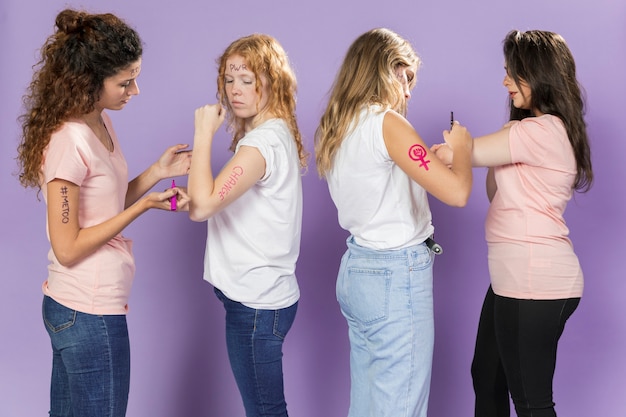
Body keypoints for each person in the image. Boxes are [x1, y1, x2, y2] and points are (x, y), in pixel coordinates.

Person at [16, 9, 191, 417]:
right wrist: (145, 207)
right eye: (125, 82)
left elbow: (103, 205)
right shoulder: (68, 141)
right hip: (86, 311)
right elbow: (68, 248)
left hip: (83, 309)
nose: (135, 90)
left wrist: (156, 174)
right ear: (90, 82)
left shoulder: (101, 121)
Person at [314, 28, 474, 417]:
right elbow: (457, 193)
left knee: (368, 405)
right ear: (392, 70)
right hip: (395, 277)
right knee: (401, 406)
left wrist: (428, 159)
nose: (410, 92)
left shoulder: (338, 124)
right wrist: (463, 150)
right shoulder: (388, 123)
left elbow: (384, 180)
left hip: (357, 271)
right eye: (409, 78)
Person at [434, 30, 593, 417]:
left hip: (536, 278)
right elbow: (495, 194)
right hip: (514, 276)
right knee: (487, 376)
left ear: (540, 75)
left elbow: (459, 155)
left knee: (531, 401)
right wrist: (482, 147)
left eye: (514, 73)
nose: (505, 82)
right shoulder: (525, 132)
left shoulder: (542, 131)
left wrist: (446, 146)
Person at [187, 33, 307, 417]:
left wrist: (203, 132)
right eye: (228, 79)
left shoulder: (260, 144)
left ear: (271, 81)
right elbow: (219, 199)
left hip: (257, 303)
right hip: (260, 298)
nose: (234, 90)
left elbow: (203, 207)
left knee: (266, 411)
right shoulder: (272, 135)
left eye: (247, 79)